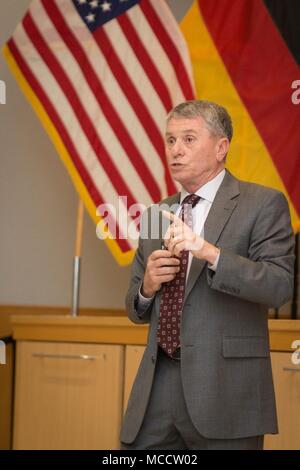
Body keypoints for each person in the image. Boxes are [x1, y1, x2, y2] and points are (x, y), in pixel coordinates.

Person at [120, 100, 295, 450]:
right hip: (157, 385)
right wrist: (148, 287)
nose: (176, 151)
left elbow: (279, 286)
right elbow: (133, 308)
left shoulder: (263, 204)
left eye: (188, 139)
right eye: (170, 141)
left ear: (221, 147)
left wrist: (210, 253)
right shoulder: (158, 213)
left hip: (225, 388)